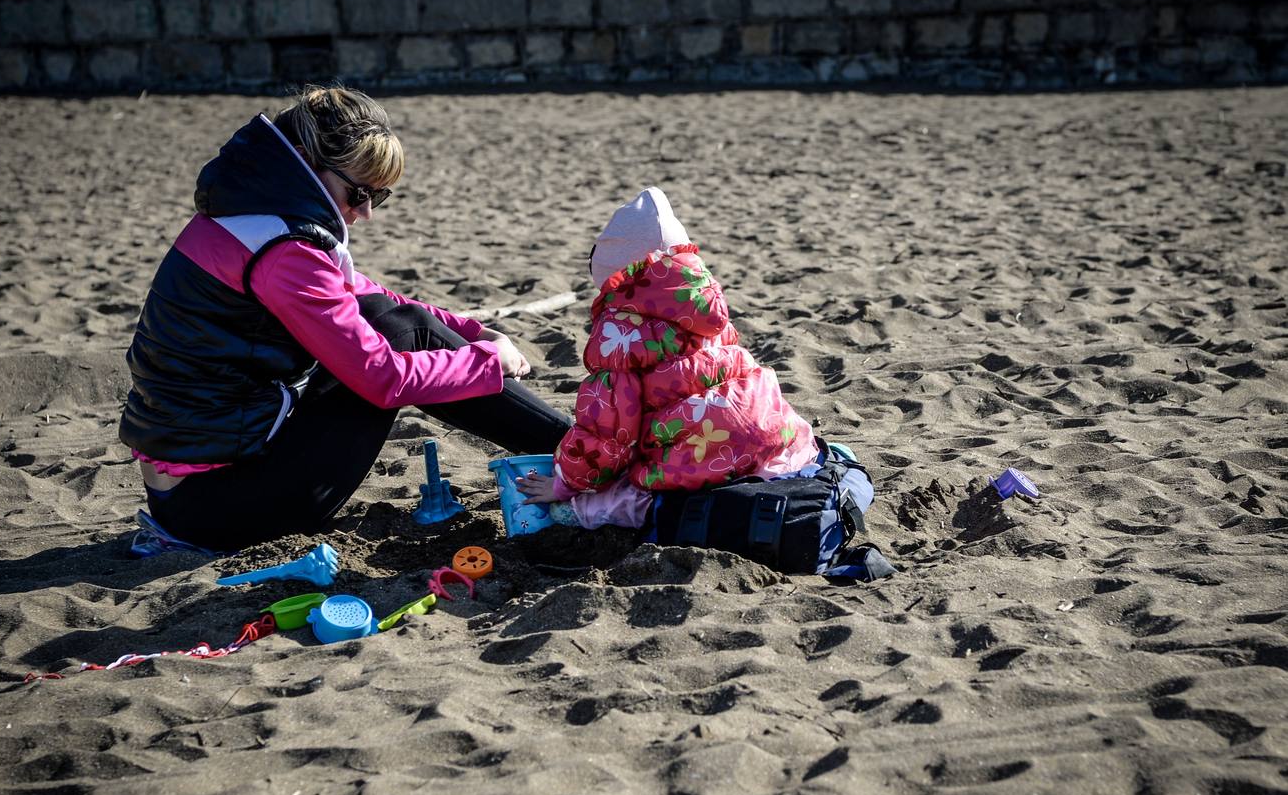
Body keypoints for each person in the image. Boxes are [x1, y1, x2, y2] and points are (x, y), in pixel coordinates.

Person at [119, 86, 569, 552]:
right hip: (217, 508)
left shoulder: (247, 211)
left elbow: (366, 296)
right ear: (304, 161)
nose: (366, 213)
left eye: (381, 196)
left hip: (192, 490)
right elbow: (382, 379)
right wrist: (486, 361)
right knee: (404, 338)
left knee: (395, 321)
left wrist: (474, 331)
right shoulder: (285, 251)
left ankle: (580, 449)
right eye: (359, 193)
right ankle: (585, 453)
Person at [516, 187, 828, 530]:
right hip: (772, 438)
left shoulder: (617, 338)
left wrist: (566, 484)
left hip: (699, 461)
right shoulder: (708, 310)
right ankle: (805, 465)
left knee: (613, 501)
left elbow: (608, 435)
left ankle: (581, 513)